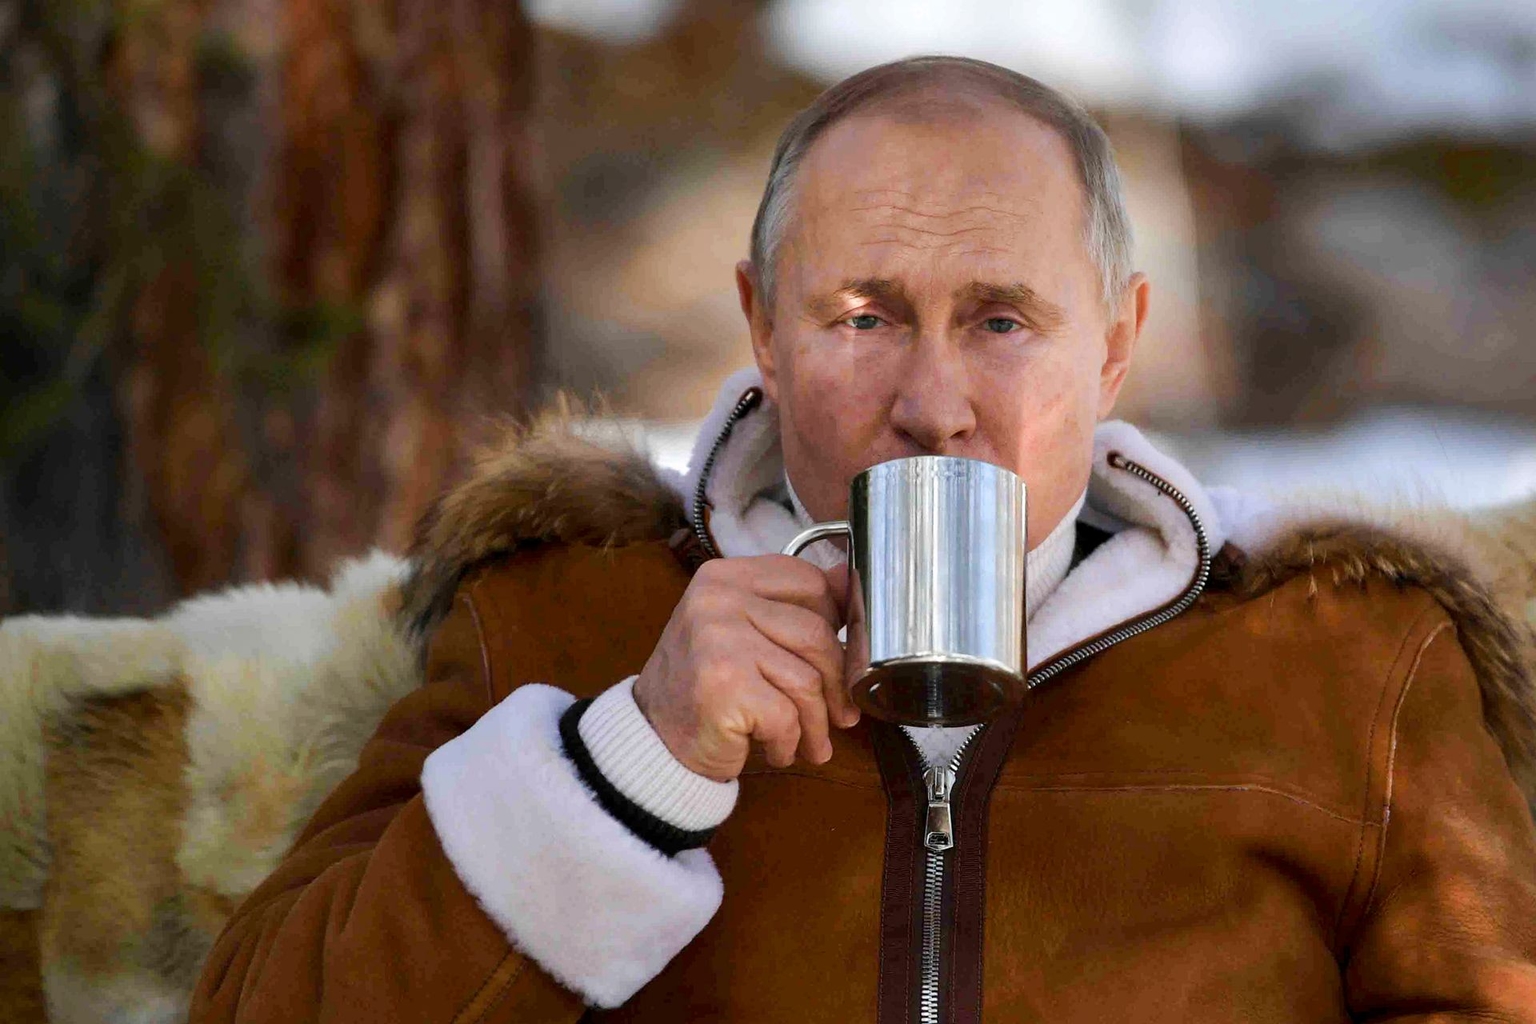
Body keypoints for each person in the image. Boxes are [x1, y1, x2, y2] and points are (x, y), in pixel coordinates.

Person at [187, 56, 1536, 1021]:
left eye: (1002, 320)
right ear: (762, 329)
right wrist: (625, 767)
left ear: (1117, 345)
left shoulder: (1347, 660)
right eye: (862, 317)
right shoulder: (565, 613)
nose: (933, 406)